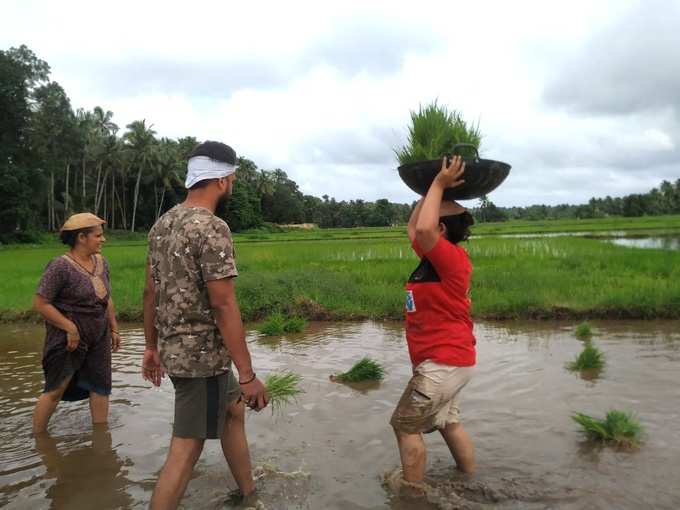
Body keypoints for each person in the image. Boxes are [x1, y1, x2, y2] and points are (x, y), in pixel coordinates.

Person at [142, 140, 268, 509]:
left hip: (174, 350)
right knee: (187, 447)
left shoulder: (162, 224)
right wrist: (247, 374)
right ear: (225, 179)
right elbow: (223, 303)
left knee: (233, 410)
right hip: (202, 360)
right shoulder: (212, 228)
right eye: (233, 177)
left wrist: (151, 347)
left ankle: (248, 494)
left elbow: (150, 291)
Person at [390, 155, 477, 490]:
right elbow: (415, 228)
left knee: (404, 425)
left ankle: (412, 497)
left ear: (441, 231)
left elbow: (423, 228)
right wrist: (429, 187)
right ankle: (470, 480)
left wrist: (440, 184)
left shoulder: (451, 258)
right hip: (449, 362)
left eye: (434, 218)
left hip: (443, 363)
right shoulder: (433, 258)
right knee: (447, 422)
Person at [32, 213, 122, 434]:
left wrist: (114, 327)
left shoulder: (101, 262)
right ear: (82, 237)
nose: (103, 240)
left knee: (101, 387)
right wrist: (70, 328)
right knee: (56, 388)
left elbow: (106, 297)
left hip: (98, 335)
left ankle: (101, 439)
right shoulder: (60, 266)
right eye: (98, 235)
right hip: (69, 339)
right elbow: (41, 303)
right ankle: (38, 438)